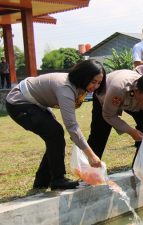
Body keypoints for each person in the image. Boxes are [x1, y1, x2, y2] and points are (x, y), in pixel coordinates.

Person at [6, 60, 105, 190]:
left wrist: (76, 137)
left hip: (34, 103)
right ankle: (57, 180)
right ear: (83, 76)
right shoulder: (66, 88)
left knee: (54, 136)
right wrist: (91, 156)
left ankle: (41, 182)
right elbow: (71, 125)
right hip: (18, 102)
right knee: (55, 133)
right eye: (93, 82)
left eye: (99, 82)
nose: (96, 86)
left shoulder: (78, 86)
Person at [87, 70, 143, 165]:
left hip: (134, 102)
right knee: (100, 133)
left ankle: (141, 163)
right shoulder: (118, 88)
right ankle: (90, 167)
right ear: (136, 90)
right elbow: (109, 115)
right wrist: (131, 131)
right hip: (106, 96)